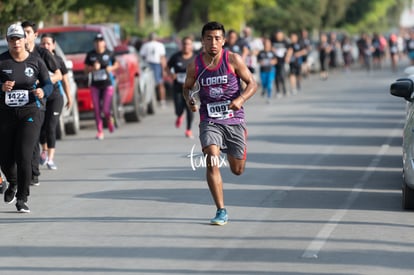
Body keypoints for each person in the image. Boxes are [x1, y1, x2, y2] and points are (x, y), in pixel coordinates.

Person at [183, 21, 258, 225]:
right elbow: (187, 87)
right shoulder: (195, 65)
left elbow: (252, 83)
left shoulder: (233, 59)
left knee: (237, 170)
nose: (213, 42)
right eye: (209, 38)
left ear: (223, 41)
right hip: (210, 121)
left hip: (234, 120)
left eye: (217, 38)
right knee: (211, 157)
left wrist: (240, 99)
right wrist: (190, 101)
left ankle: (234, 149)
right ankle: (221, 210)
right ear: (202, 41)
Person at [0, 23, 53, 212]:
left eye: (19, 38)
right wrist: (1, 88)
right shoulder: (2, 62)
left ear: (25, 40)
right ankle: (13, 183)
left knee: (23, 155)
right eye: (12, 39)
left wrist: (42, 91)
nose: (16, 42)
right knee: (5, 158)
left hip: (30, 112)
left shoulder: (36, 61)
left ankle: (22, 198)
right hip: (5, 114)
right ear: (8, 41)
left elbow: (49, 84)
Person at [21, 20, 62, 185]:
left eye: (28, 32)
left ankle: (33, 173)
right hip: (17, 103)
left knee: (35, 136)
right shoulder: (15, 54)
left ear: (35, 35)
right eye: (22, 33)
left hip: (39, 102)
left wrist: (43, 83)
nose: (24, 36)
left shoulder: (43, 53)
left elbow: (58, 74)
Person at [39, 33, 73, 170]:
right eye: (43, 43)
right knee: (41, 126)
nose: (45, 46)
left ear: (53, 45)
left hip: (55, 97)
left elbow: (64, 79)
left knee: (51, 126)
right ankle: (44, 150)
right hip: (41, 97)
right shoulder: (37, 59)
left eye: (48, 43)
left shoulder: (58, 60)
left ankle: (50, 159)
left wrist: (69, 97)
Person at [84, 33, 119, 140]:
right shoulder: (90, 55)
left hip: (107, 84)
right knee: (97, 109)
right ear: (94, 43)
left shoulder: (109, 53)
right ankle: (100, 131)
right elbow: (85, 70)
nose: (98, 43)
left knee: (106, 109)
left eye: (100, 41)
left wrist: (111, 68)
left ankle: (109, 120)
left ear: (104, 43)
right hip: (95, 85)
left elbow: (116, 64)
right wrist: (93, 68)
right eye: (97, 42)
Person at [167, 36, 195, 138]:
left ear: (191, 46)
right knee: (179, 108)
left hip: (191, 89)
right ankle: (179, 115)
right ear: (181, 45)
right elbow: (167, 67)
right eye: (184, 44)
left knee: (190, 109)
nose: (186, 46)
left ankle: (188, 129)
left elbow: (202, 70)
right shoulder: (176, 57)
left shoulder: (196, 58)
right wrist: (171, 75)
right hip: (178, 87)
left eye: (188, 44)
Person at [139, 32, 167, 107]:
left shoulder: (145, 45)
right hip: (156, 64)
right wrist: (164, 69)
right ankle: (162, 101)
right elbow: (162, 58)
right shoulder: (160, 45)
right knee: (160, 84)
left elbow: (142, 57)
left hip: (148, 65)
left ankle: (151, 101)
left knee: (149, 84)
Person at [257, 37, 277, 103]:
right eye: (266, 43)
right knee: (264, 83)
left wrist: (273, 62)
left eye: (268, 43)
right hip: (263, 71)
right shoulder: (261, 52)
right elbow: (258, 60)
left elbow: (275, 60)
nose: (267, 45)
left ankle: (269, 96)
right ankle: (264, 89)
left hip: (271, 70)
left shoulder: (272, 52)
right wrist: (261, 62)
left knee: (269, 83)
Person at [271, 30, 288, 97]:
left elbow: (289, 49)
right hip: (275, 61)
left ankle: (284, 89)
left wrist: (288, 57)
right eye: (277, 35)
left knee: (282, 75)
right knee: (276, 76)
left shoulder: (285, 42)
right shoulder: (273, 41)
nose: (278, 37)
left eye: (280, 35)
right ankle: (278, 91)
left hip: (282, 61)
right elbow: (269, 48)